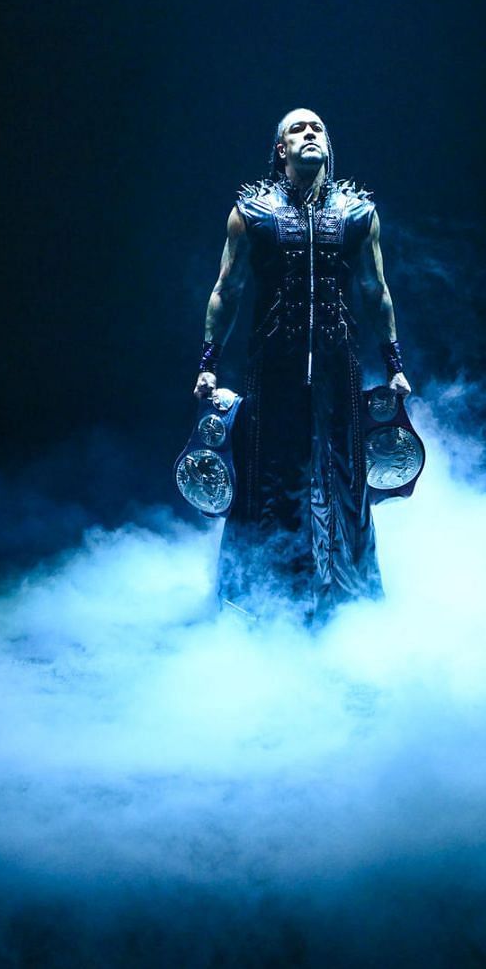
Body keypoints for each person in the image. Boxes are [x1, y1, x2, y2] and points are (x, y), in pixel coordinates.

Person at [193, 108, 411, 624]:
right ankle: (258, 605)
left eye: (318, 128)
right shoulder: (253, 212)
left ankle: (348, 608)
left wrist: (394, 361)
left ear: (328, 146)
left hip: (339, 369)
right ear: (280, 150)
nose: (309, 133)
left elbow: (376, 290)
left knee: (344, 482)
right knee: (267, 481)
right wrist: (208, 362)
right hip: (273, 370)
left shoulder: (358, 213)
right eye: (297, 128)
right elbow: (227, 290)